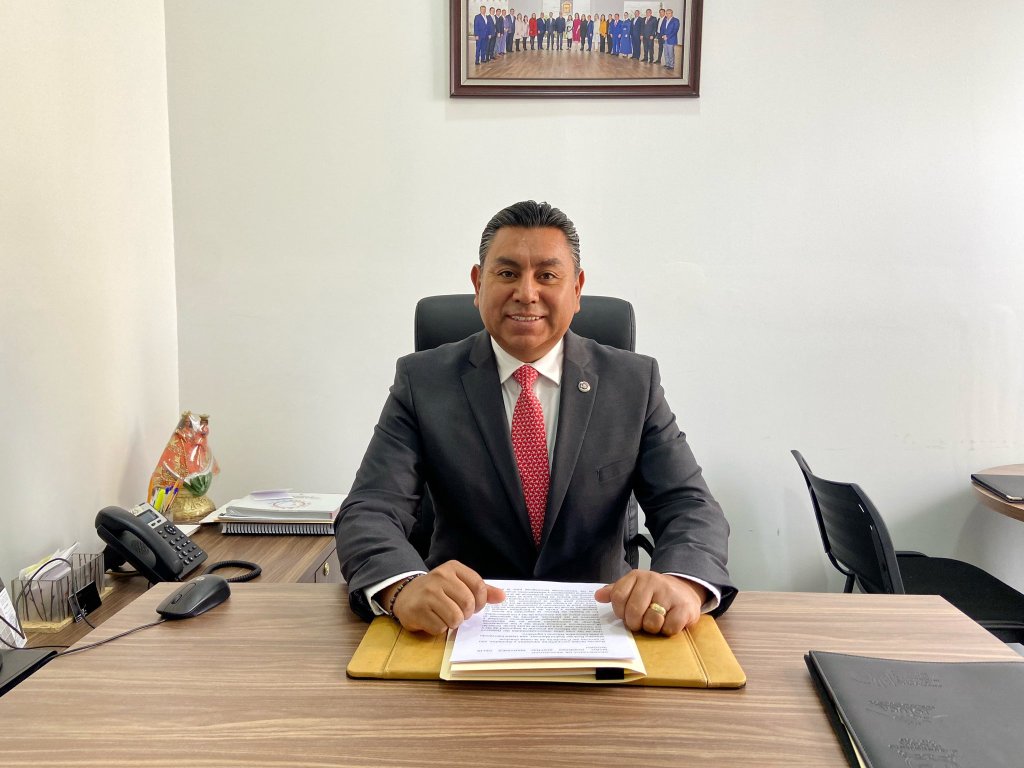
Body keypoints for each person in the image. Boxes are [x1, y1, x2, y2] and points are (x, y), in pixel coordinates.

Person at [337, 201, 736, 638]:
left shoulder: (633, 383)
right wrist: (402, 587)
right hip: (461, 625)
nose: (526, 293)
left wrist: (681, 584)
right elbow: (371, 508)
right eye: (507, 273)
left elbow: (689, 506)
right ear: (478, 284)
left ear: (577, 289)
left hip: (603, 623)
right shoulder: (423, 382)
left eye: (547, 275)